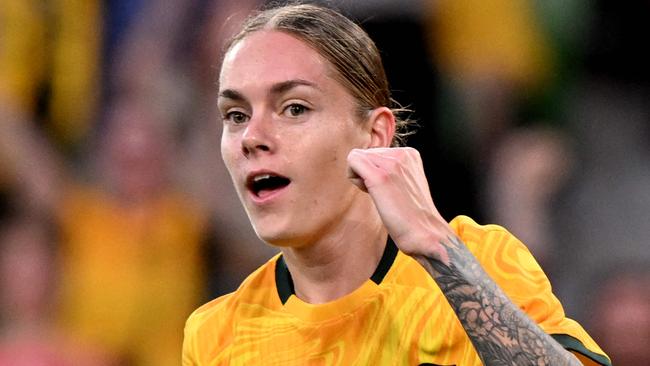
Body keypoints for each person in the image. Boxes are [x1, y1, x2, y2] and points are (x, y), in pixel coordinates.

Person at [182, 3, 610, 365]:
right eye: (235, 115)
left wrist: (438, 252)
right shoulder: (215, 337)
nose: (252, 137)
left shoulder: (479, 262)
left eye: (294, 108)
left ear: (374, 135)